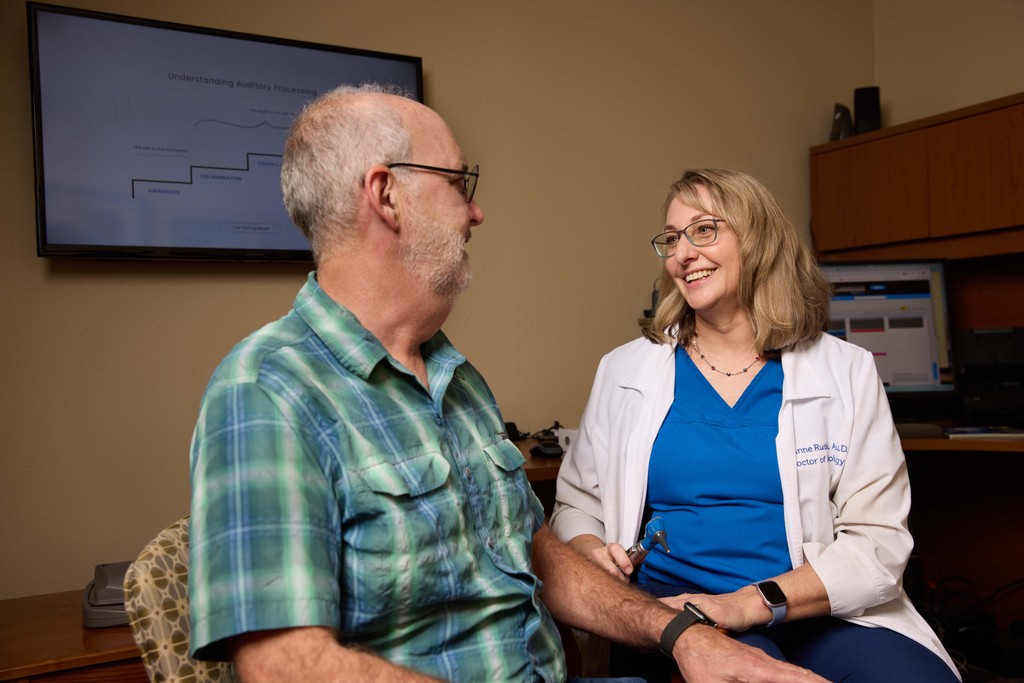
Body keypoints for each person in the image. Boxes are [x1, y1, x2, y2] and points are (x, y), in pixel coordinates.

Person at [187, 88, 827, 683]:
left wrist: (684, 636)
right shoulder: (268, 391)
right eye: (459, 182)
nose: (476, 212)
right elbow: (284, 667)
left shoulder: (455, 380)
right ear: (386, 195)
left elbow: (538, 553)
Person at [550, 168, 961, 682]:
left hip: (815, 608)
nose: (683, 253)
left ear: (759, 239)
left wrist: (752, 602)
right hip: (681, 613)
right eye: (672, 238)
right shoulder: (626, 370)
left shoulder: (845, 370)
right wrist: (591, 552)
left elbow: (877, 541)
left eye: (704, 230)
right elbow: (576, 505)